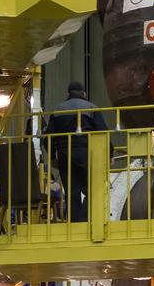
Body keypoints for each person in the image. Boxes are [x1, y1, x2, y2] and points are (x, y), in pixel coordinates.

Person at [45, 82, 108, 223]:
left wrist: (53, 156)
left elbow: (47, 137)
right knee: (92, 189)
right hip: (87, 154)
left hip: (64, 155)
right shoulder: (92, 108)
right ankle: (87, 219)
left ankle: (75, 223)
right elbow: (103, 132)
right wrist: (109, 154)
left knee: (72, 192)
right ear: (83, 93)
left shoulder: (58, 110)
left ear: (69, 93)